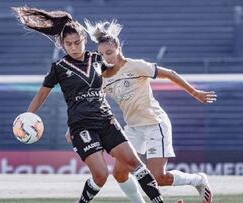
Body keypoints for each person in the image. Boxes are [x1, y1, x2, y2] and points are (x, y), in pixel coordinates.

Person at [13, 7, 164, 203]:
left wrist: (131, 70)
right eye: (69, 44)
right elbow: (42, 94)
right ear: (63, 45)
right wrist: (27, 117)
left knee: (135, 164)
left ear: (84, 40)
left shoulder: (97, 59)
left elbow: (116, 73)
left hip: (106, 121)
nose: (74, 47)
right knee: (101, 176)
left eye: (77, 42)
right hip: (81, 126)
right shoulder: (59, 68)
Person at [84, 20, 217, 203]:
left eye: (109, 52)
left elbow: (170, 73)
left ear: (118, 47)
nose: (106, 57)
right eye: (101, 54)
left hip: (155, 123)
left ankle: (198, 180)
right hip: (133, 129)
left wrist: (194, 92)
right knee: (119, 173)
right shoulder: (103, 79)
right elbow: (93, 102)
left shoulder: (136, 66)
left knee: (158, 178)